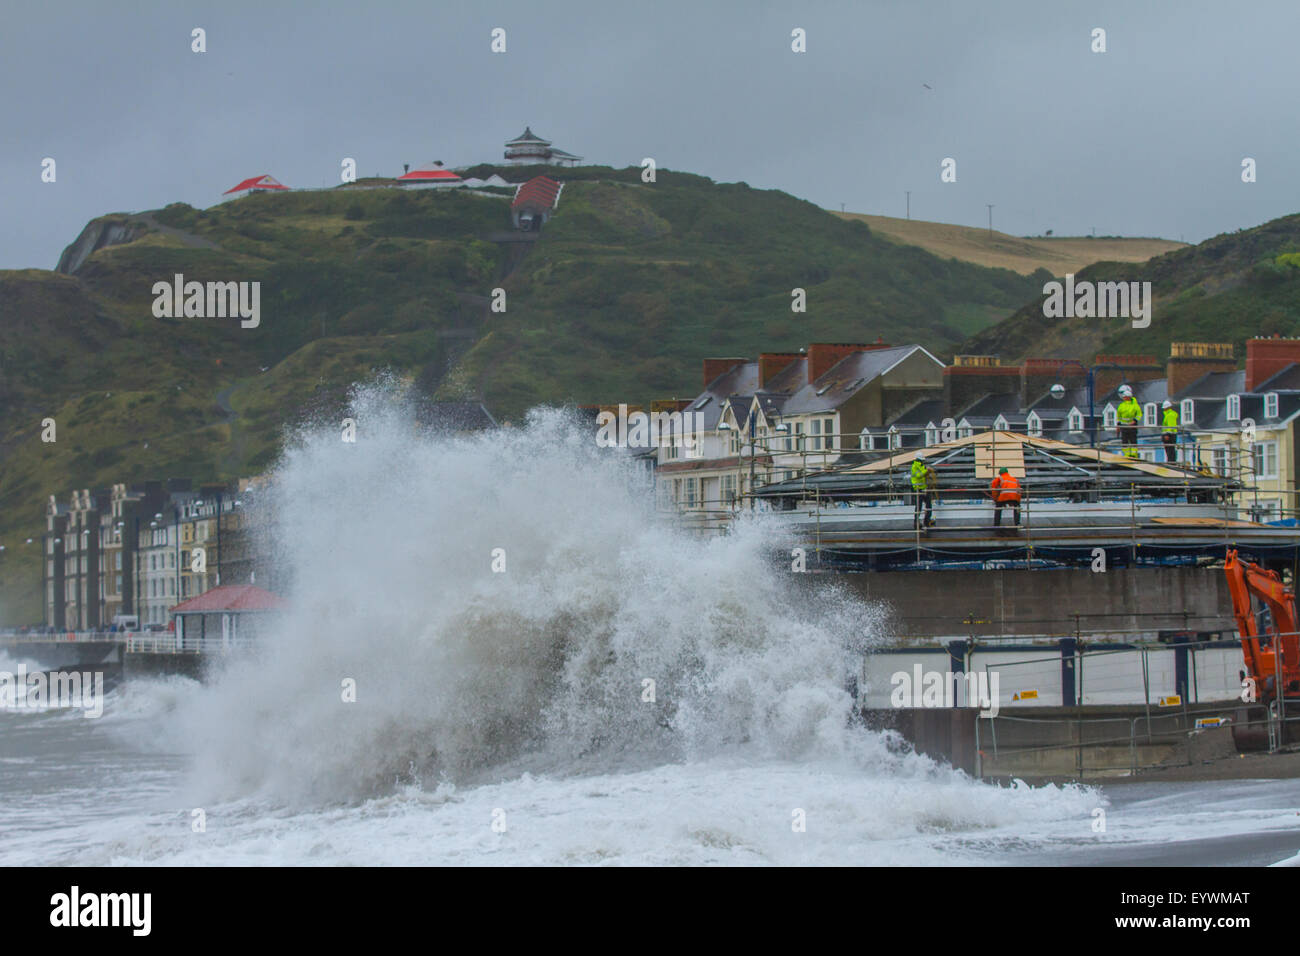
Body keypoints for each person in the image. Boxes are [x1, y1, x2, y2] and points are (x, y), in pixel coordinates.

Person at [910, 453, 937, 529]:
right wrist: (927, 470)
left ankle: (927, 521)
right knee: (919, 507)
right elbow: (919, 475)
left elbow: (924, 474)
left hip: (924, 488)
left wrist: (928, 471)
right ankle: (916, 523)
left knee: (928, 505)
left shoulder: (922, 466)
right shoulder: (914, 466)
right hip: (918, 489)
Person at [1116, 384, 1142, 458]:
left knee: (1133, 440)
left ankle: (1133, 454)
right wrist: (1118, 426)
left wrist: (1134, 421)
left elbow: (1139, 414)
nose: (1124, 398)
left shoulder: (1134, 405)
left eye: (1125, 397)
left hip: (1132, 426)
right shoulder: (1121, 405)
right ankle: (1127, 454)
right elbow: (1119, 416)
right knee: (1125, 441)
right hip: (1124, 426)